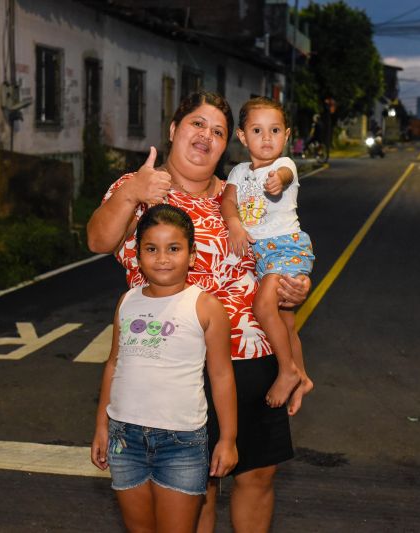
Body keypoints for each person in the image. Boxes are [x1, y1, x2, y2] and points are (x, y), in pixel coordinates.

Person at [87, 90, 311, 532]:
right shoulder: (141, 187)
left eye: (218, 131)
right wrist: (133, 190)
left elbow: (278, 252)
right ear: (173, 130)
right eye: (197, 124)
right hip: (178, 367)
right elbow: (98, 239)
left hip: (254, 356)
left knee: (258, 475)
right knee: (199, 488)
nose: (206, 135)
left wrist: (295, 287)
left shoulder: (242, 190)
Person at [90, 204, 238, 532]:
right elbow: (114, 363)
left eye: (173, 249)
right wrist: (102, 426)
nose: (162, 258)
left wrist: (228, 439)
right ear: (139, 256)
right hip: (123, 439)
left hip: (181, 442)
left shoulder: (205, 306)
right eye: (151, 249)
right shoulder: (127, 302)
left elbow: (221, 375)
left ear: (192, 254)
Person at [220, 96, 314, 413]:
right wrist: (233, 223)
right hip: (262, 255)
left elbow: (285, 177)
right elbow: (227, 203)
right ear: (243, 136)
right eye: (257, 131)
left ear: (286, 135)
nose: (267, 138)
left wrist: (278, 182)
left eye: (275, 130)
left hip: (286, 247)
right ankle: (301, 375)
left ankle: (286, 371)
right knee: (285, 321)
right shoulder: (237, 173)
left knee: (263, 306)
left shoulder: (283, 166)